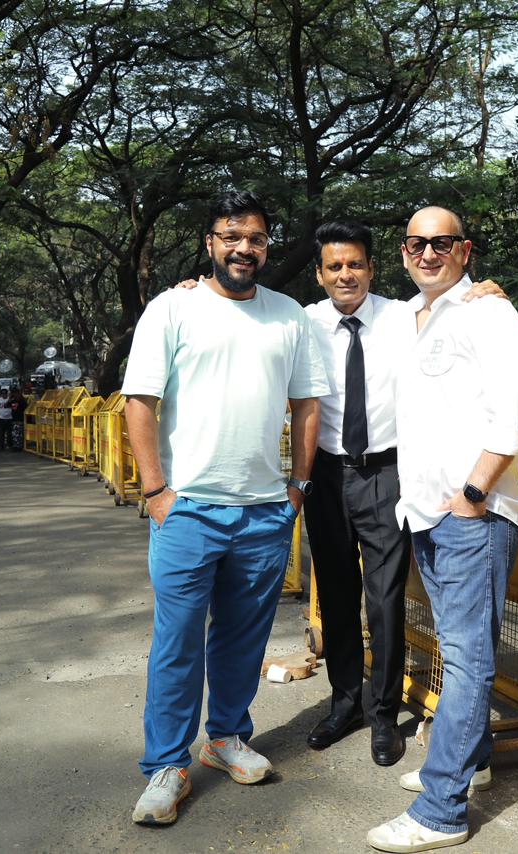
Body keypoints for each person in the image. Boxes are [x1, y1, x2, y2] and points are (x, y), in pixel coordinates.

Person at [123, 191, 328, 827]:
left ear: (269, 246)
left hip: (265, 511)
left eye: (257, 238)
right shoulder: (173, 307)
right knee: (177, 642)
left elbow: (307, 406)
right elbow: (139, 400)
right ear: (210, 243)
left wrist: (297, 487)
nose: (245, 248)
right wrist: (157, 492)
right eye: (231, 236)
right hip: (187, 510)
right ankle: (165, 765)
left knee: (243, 638)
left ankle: (227, 737)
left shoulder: (290, 315)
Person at [300, 220, 507, 768]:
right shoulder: (303, 324)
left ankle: (383, 714)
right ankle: (344, 702)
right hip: (326, 475)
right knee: (337, 596)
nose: (347, 275)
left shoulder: (404, 315)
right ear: (320, 274)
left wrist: (482, 288)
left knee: (386, 598)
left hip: (386, 474)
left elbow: (456, 312)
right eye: (335, 266)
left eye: (356, 265)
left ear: (372, 267)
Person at [367, 206, 518, 854]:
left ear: (465, 250)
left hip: (471, 515)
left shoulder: (488, 313)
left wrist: (473, 492)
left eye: (442, 243)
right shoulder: (415, 319)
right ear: (404, 252)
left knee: (466, 660)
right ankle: (475, 760)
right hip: (429, 515)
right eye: (416, 243)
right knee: (463, 650)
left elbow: (512, 412)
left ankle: (442, 811)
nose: (428, 252)